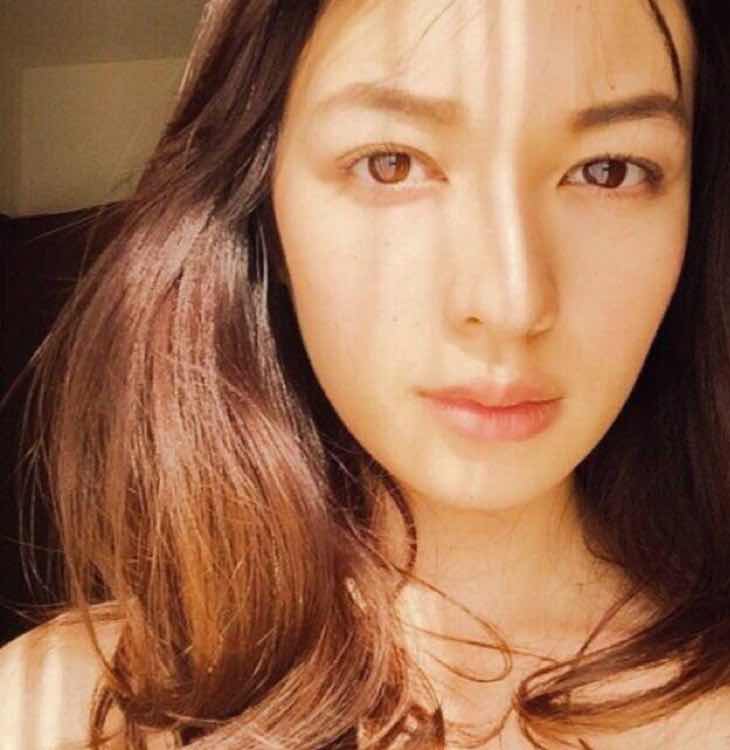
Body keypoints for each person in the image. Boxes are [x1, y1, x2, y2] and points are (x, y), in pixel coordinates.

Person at [1, 0, 729, 747]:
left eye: (609, 171)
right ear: (265, 207)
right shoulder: (58, 712)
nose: (510, 304)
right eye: (393, 163)